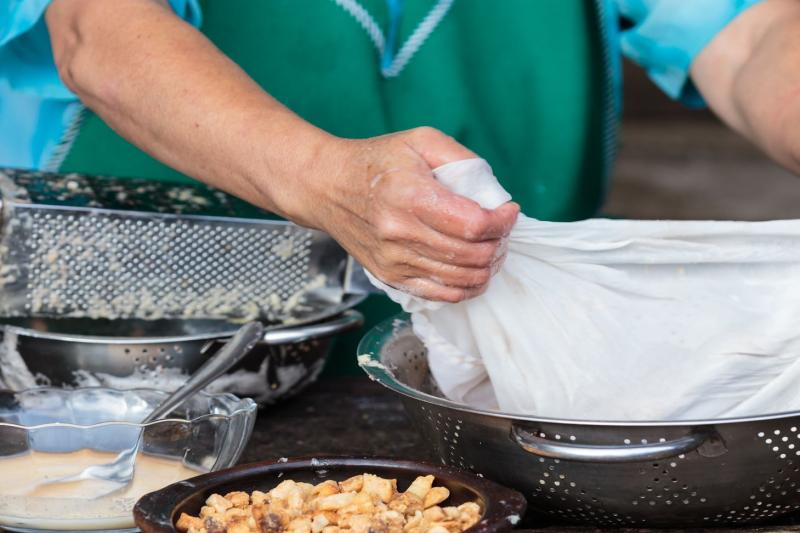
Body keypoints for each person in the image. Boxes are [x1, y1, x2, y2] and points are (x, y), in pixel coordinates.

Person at [1, 0, 797, 372]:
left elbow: (753, 34)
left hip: (520, 388)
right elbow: (93, 28)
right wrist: (325, 177)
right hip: (140, 391)